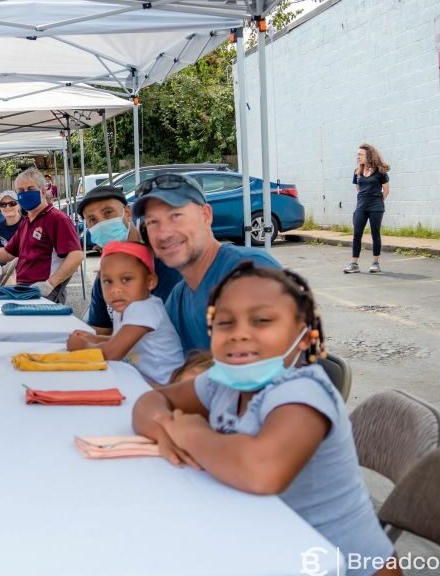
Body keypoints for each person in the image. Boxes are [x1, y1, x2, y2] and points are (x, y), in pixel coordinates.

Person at [131, 263, 397, 576]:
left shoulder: (303, 391)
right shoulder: (222, 382)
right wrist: (166, 428)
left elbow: (261, 471)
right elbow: (150, 401)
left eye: (262, 320)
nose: (239, 334)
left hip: (339, 565)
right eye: (225, 322)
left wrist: (190, 434)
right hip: (266, 543)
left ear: (303, 337)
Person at [135, 174, 280, 354]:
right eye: (152, 222)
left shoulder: (250, 271)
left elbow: (257, 373)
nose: (164, 234)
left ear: (206, 216)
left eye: (175, 216)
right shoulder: (178, 297)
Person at [67, 241, 183, 387]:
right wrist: (93, 338)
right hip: (144, 381)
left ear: (150, 282)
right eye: (108, 281)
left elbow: (113, 352)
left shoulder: (143, 309)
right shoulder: (125, 307)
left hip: (163, 387)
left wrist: (84, 346)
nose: (116, 289)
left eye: (126, 279)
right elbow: (118, 340)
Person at [0, 167, 84, 303]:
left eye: (30, 189)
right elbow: (8, 252)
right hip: (23, 289)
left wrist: (50, 283)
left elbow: (76, 255)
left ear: (43, 191)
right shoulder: (27, 221)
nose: (25, 194)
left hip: (43, 292)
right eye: (20, 191)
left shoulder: (56, 218)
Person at [78, 185, 182, 336]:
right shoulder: (107, 272)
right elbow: (101, 329)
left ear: (127, 213)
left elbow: (158, 336)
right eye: (92, 220)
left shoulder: (163, 264)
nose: (102, 224)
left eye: (108, 213)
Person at [345, 143, 391, 274]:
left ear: (368, 155)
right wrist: (363, 201)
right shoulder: (357, 172)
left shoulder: (380, 171)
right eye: (357, 154)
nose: (357, 156)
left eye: (360, 154)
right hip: (361, 206)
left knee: (375, 233)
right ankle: (354, 264)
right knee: (356, 234)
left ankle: (375, 263)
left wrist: (377, 202)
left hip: (376, 207)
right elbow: (359, 189)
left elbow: (386, 191)